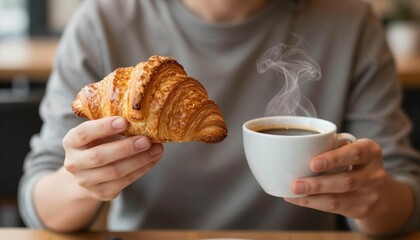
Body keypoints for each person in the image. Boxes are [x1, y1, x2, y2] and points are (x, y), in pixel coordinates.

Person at [19, 0, 420, 237]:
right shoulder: (104, 20)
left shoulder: (349, 21)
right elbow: (39, 199)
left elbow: (406, 201)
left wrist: (373, 197)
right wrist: (83, 184)